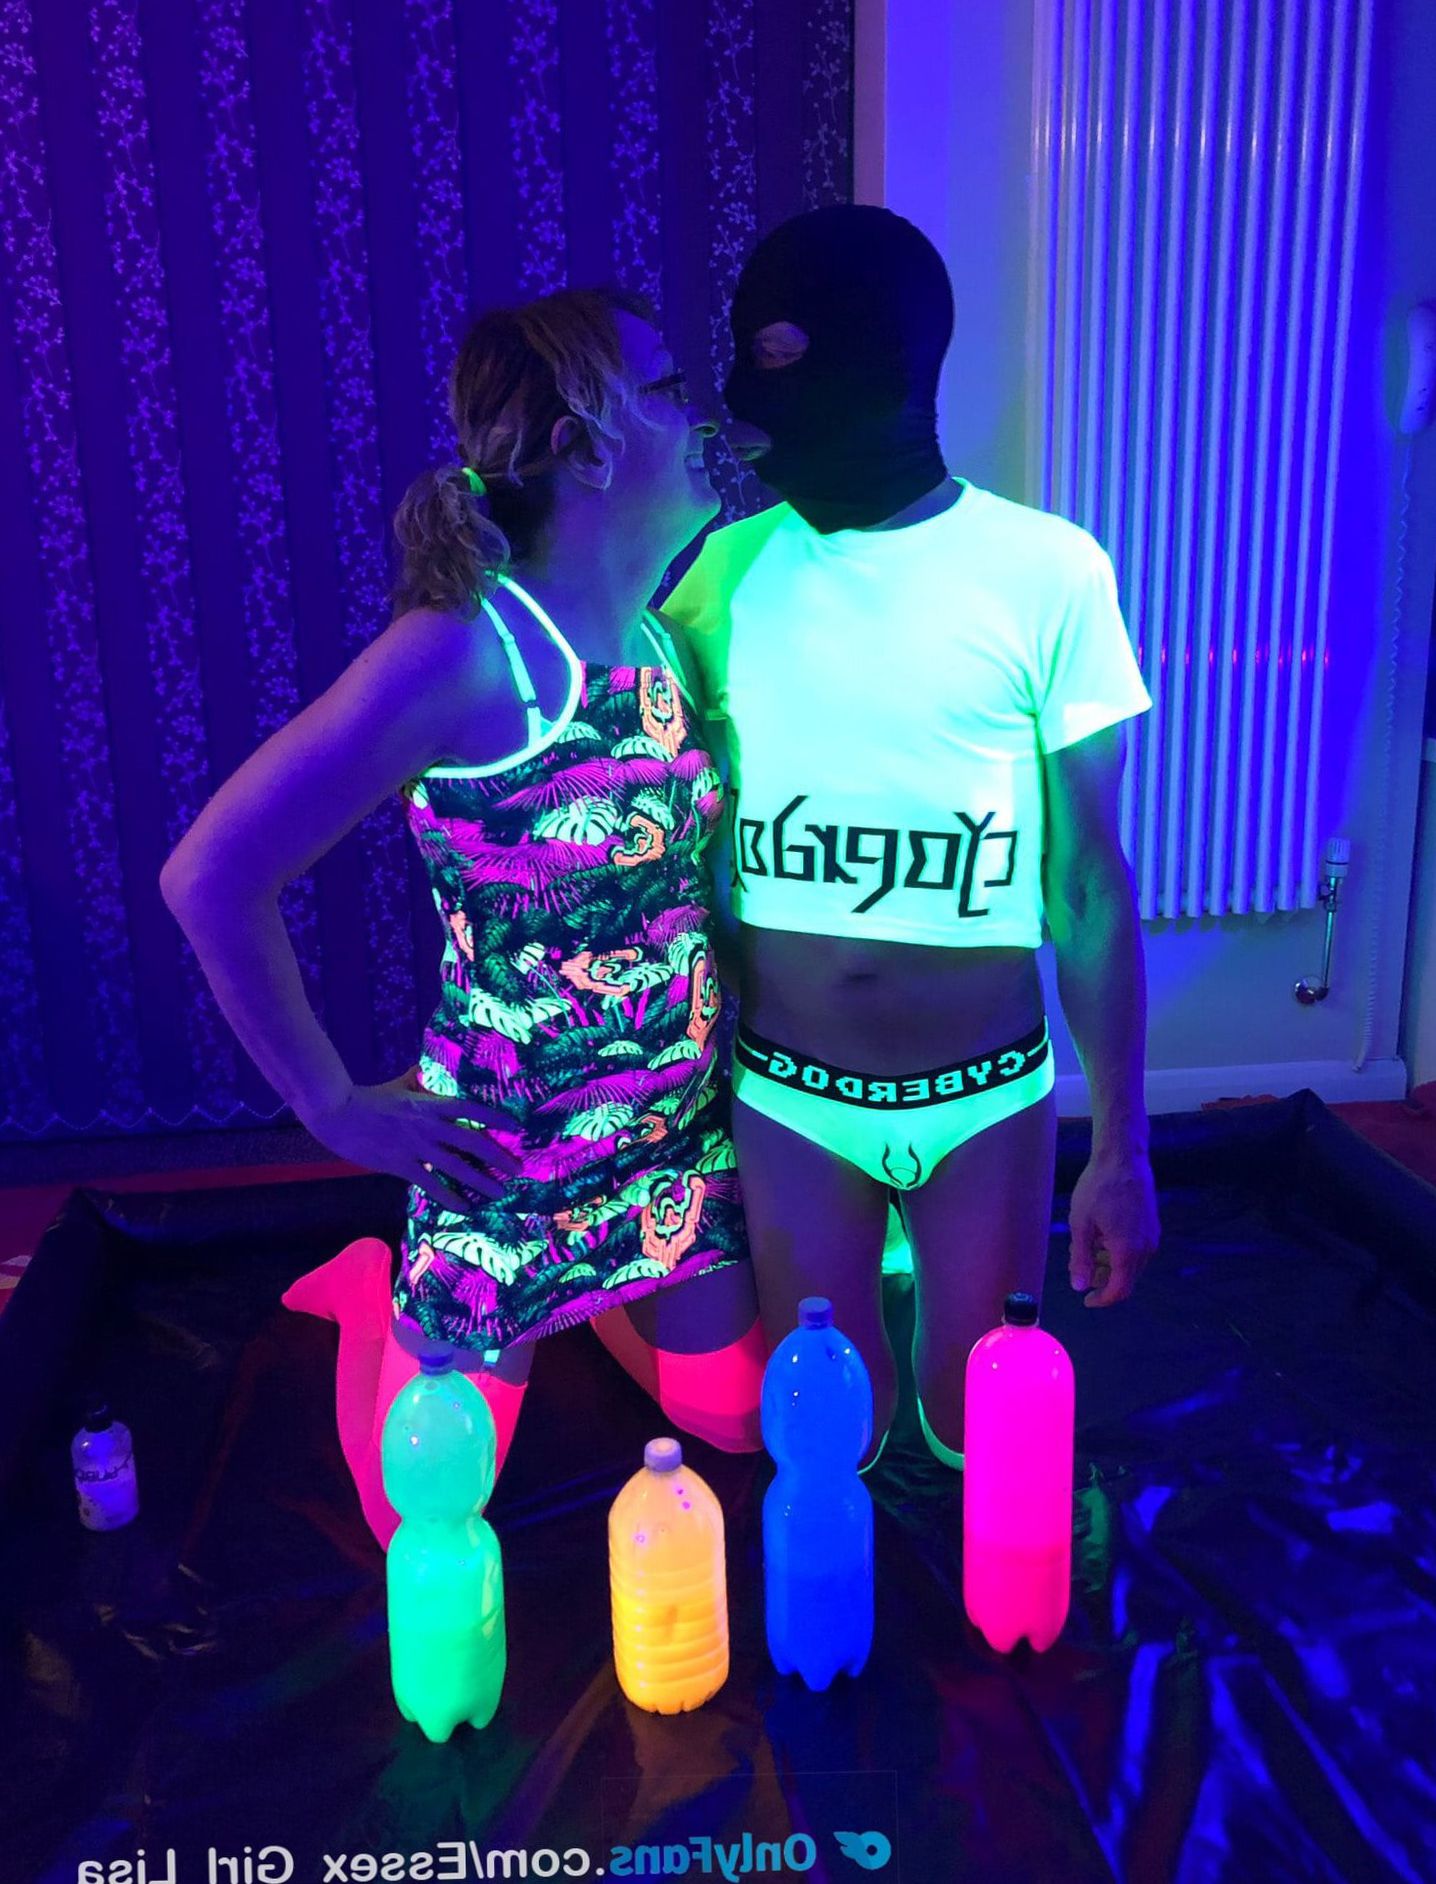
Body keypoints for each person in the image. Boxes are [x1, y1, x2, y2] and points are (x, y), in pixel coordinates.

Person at [161, 288, 764, 1541]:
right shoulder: (461, 654)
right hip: (506, 1163)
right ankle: (366, 1286)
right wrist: (331, 1106)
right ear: (584, 445)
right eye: (666, 389)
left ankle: (595, 1303)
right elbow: (210, 876)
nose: (698, 414)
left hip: (671, 1143)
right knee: (418, 1514)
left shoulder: (662, 642)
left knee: (732, 1424)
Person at [664, 206, 1161, 1472]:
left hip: (982, 1101)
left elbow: (1087, 885)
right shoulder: (718, 577)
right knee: (832, 1438)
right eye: (749, 357)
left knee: (971, 1432)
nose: (752, 398)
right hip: (792, 1099)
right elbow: (661, 844)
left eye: (787, 357)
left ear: (887, 354)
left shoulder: (1048, 573)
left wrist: (1120, 1146)